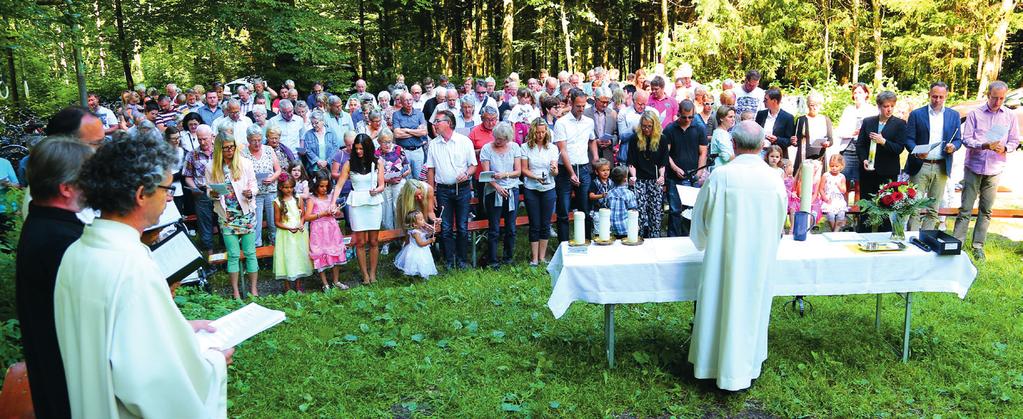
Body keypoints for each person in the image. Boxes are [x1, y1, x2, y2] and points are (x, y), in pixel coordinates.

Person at [54, 134, 232, 418]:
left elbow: (110, 337)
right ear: (141, 194)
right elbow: (151, 382)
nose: (169, 197)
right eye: (166, 189)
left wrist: (178, 327)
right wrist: (212, 362)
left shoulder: (76, 253)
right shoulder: (132, 266)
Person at [689, 120, 787, 392]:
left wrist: (703, 239)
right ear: (762, 146)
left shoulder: (721, 176)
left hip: (723, 256)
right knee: (751, 308)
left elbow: (701, 218)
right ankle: (747, 365)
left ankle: (711, 365)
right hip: (758, 259)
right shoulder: (773, 179)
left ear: (733, 144)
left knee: (718, 304)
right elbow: (780, 221)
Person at [15, 137, 93, 419]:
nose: (94, 184)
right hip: (71, 384)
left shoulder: (44, 224)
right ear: (66, 188)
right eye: (88, 177)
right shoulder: (60, 240)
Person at [953, 81, 1019, 261]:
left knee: (986, 210)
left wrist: (1005, 148)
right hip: (974, 166)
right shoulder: (975, 114)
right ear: (988, 95)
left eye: (1001, 98)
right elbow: (966, 140)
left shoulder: (1010, 116)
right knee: (965, 208)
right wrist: (983, 145)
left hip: (995, 168)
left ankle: (978, 246)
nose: (998, 102)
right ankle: (956, 244)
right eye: (994, 98)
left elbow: (1015, 140)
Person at [207, 132, 260, 299]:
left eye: (232, 147)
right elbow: (209, 190)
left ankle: (253, 289)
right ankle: (236, 292)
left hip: (245, 213)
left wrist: (250, 192)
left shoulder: (245, 163)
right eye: (225, 148)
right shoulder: (211, 167)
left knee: (250, 253)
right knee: (233, 255)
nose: (230, 151)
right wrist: (213, 195)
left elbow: (254, 185)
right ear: (218, 150)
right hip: (227, 216)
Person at [904, 81, 962, 231]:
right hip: (920, 165)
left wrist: (953, 146)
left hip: (941, 166)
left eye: (941, 97)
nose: (937, 100)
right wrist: (916, 151)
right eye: (934, 96)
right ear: (929, 94)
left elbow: (958, 139)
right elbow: (908, 139)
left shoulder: (953, 115)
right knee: (914, 207)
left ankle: (926, 239)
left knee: (933, 208)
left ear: (946, 96)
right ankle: (912, 239)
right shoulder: (917, 114)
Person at [426, 110, 478, 269]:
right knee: (446, 227)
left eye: (437, 121)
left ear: (448, 123)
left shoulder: (464, 141)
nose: (434, 124)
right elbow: (430, 170)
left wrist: (467, 174)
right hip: (442, 190)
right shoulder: (433, 144)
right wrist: (432, 193)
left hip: (462, 189)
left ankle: (462, 261)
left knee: (463, 226)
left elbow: (473, 166)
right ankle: (449, 261)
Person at [855, 90, 907, 232]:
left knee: (886, 206)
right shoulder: (868, 121)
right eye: (885, 106)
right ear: (879, 106)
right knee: (866, 207)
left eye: (891, 106)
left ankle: (884, 238)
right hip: (868, 171)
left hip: (888, 172)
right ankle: (863, 235)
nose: (889, 109)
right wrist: (864, 159)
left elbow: (899, 148)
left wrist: (883, 141)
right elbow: (860, 145)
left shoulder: (900, 124)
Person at [338, 134, 386, 283]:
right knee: (359, 241)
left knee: (373, 241)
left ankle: (373, 273)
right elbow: (339, 185)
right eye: (356, 148)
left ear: (368, 148)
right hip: (357, 202)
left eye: (361, 148)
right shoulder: (349, 163)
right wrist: (333, 202)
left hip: (373, 202)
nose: (358, 151)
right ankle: (364, 274)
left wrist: (377, 190)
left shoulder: (378, 162)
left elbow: (382, 185)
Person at [553, 88, 597, 241]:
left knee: (585, 208)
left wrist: (596, 158)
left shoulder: (589, 122)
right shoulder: (561, 123)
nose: (582, 109)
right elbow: (562, 150)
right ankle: (563, 244)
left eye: (584, 106)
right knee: (564, 210)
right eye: (578, 106)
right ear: (571, 103)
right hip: (565, 170)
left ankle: (585, 240)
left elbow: (592, 140)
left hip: (584, 168)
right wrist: (571, 173)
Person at [479, 122, 522, 267]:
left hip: (512, 190)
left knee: (511, 227)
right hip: (493, 191)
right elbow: (486, 175)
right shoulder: (487, 149)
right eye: (496, 138)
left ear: (507, 139)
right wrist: (497, 187)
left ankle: (508, 257)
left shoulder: (515, 147)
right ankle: (493, 260)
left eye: (501, 139)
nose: (497, 141)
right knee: (494, 228)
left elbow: (518, 172)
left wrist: (505, 174)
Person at [663, 100, 708, 237]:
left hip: (693, 175)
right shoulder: (670, 129)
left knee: (691, 211)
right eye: (684, 117)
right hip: (674, 176)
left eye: (690, 117)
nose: (687, 120)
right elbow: (665, 153)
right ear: (678, 114)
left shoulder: (699, 128)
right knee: (675, 210)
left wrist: (699, 171)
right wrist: (675, 168)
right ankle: (673, 239)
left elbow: (703, 152)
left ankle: (689, 239)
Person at [627, 110, 668, 238]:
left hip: (654, 180)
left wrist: (661, 177)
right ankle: (637, 237)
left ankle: (654, 238)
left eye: (649, 126)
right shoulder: (635, 139)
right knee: (639, 211)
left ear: (654, 126)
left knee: (655, 213)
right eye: (644, 126)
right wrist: (633, 176)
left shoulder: (662, 139)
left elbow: (663, 163)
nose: (646, 129)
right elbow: (631, 162)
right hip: (639, 179)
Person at [304, 171, 347, 291]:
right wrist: (322, 214)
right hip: (318, 230)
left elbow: (337, 212)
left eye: (326, 186)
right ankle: (325, 283)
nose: (324, 189)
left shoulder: (331, 197)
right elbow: (307, 217)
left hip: (332, 229)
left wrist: (336, 211)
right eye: (321, 186)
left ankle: (336, 280)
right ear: (315, 185)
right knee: (320, 253)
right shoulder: (312, 199)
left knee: (335, 251)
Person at [834, 83, 877, 199]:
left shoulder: (873, 110)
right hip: (847, 148)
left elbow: (876, 131)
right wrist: (851, 133)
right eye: (855, 92)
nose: (857, 95)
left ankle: (858, 211)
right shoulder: (848, 110)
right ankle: (844, 210)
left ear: (866, 94)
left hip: (864, 149)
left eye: (860, 92)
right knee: (845, 181)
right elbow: (839, 131)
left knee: (860, 184)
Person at [242, 124, 282, 247]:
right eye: (254, 140)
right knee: (256, 223)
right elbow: (242, 175)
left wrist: (271, 178)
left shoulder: (269, 150)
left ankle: (275, 246)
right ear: (248, 139)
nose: (257, 143)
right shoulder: (243, 153)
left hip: (271, 190)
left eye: (259, 140)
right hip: (255, 194)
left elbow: (278, 170)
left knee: (273, 222)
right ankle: (257, 247)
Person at [273, 174, 313, 292]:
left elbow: (303, 215)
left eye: (291, 187)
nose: (289, 189)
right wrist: (288, 228)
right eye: (286, 187)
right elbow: (277, 222)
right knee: (287, 257)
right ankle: (287, 286)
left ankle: (298, 285)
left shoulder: (298, 198)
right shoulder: (277, 202)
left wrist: (301, 224)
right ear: (280, 187)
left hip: (299, 233)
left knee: (298, 256)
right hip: (285, 234)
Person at [183, 125, 216, 254]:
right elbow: (188, 176)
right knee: (204, 225)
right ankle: (210, 258)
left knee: (224, 222)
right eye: (199, 139)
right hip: (202, 192)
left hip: (219, 191)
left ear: (212, 137)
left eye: (205, 139)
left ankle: (228, 258)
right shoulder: (192, 154)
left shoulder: (220, 151)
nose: (202, 142)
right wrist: (194, 188)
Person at [376, 130, 409, 247]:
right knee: (386, 212)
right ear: (379, 142)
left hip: (399, 182)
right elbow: (374, 174)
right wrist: (387, 180)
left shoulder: (399, 149)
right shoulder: (376, 154)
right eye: (384, 142)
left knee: (398, 209)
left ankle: (401, 239)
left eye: (389, 141)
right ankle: (387, 241)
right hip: (384, 185)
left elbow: (407, 168)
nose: (387, 144)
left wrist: (400, 176)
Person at [792, 92, 834, 176]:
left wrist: (828, 143)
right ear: (808, 105)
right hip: (803, 156)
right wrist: (793, 141)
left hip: (820, 156)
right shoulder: (801, 120)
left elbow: (830, 139)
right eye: (812, 105)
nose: (814, 108)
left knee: (818, 184)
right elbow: (795, 140)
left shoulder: (826, 120)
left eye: (817, 105)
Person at [392, 91, 430, 181]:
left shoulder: (419, 114)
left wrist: (406, 130)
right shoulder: (396, 115)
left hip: (418, 151)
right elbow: (397, 134)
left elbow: (424, 132)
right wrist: (416, 131)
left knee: (419, 180)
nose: (409, 102)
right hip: (403, 152)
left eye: (410, 100)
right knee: (406, 180)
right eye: (406, 100)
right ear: (401, 102)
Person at [393, 209, 438, 279]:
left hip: (422, 250)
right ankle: (415, 276)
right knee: (418, 262)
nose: (423, 220)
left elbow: (424, 236)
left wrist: (431, 233)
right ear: (414, 224)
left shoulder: (420, 229)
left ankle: (421, 275)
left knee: (423, 261)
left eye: (423, 218)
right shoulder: (415, 232)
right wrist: (430, 241)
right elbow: (420, 243)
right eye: (421, 219)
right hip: (417, 250)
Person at [754, 88, 795, 157]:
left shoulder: (788, 118)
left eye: (766, 100)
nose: (764, 101)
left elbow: (789, 141)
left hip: (777, 155)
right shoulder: (760, 114)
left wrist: (777, 139)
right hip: (759, 152)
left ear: (774, 101)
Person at [301, 110, 341, 177]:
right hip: (314, 167)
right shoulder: (308, 134)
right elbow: (307, 149)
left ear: (322, 121)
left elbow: (336, 148)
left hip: (329, 166)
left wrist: (327, 161)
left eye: (316, 123)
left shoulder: (331, 132)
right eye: (312, 123)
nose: (314, 125)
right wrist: (318, 161)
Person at [584, 87, 619, 162]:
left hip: (607, 156)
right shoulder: (585, 114)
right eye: (602, 102)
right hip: (590, 156)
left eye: (608, 102)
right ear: (595, 99)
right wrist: (594, 142)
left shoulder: (612, 113)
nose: (605, 105)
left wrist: (611, 141)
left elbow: (616, 134)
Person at [605, 166, 638, 238]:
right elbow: (633, 210)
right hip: (625, 229)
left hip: (612, 229)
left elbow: (606, 207)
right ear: (626, 179)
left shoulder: (609, 193)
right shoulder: (629, 194)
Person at [821, 154, 849, 232]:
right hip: (829, 199)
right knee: (830, 215)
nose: (834, 168)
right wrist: (825, 199)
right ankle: (834, 231)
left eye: (836, 166)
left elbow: (844, 191)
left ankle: (835, 231)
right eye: (832, 166)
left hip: (838, 200)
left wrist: (839, 185)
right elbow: (821, 189)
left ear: (841, 166)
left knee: (841, 215)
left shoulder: (842, 176)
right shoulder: (826, 175)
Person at [164, 127, 187, 212]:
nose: (177, 141)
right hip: (165, 187)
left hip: (178, 186)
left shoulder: (182, 151)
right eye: (174, 139)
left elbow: (184, 170)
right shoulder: (162, 152)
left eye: (178, 138)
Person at [709, 105, 736, 171]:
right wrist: (742, 154)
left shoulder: (722, 132)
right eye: (730, 117)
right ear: (721, 118)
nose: (733, 119)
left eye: (734, 117)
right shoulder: (721, 134)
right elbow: (727, 157)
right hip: (720, 169)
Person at [587, 158, 613, 223]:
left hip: (609, 209)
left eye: (608, 170)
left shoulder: (611, 182)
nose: (606, 172)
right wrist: (602, 195)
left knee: (608, 228)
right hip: (597, 210)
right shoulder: (594, 183)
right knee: (599, 228)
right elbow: (591, 196)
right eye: (603, 170)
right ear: (596, 172)